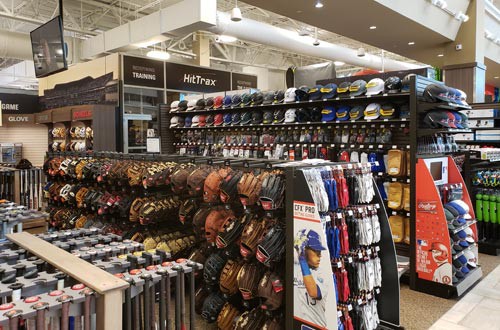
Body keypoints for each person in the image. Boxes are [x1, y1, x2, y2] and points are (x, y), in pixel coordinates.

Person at [294, 229, 328, 327]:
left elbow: (313, 292)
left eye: (320, 252)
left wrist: (302, 259)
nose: (320, 255)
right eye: (316, 251)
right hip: (298, 323)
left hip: (316, 326)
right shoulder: (295, 268)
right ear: (304, 249)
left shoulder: (322, 274)